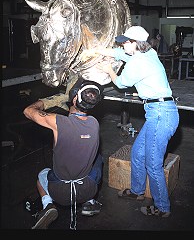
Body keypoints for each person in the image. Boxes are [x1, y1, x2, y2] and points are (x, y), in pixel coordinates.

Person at [81, 25, 179, 218]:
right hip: (157, 113)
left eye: (125, 41)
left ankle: (162, 207)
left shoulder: (138, 63)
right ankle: (137, 191)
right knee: (137, 153)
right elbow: (121, 54)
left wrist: (108, 68)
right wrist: (97, 50)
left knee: (153, 164)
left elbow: (120, 83)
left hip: (161, 115)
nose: (122, 44)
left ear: (135, 43)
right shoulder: (148, 53)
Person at [23, 78, 104, 229]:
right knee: (98, 159)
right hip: (87, 189)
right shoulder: (94, 123)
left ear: (74, 99)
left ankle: (48, 205)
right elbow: (77, 119)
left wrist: (48, 101)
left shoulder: (58, 122)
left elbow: (28, 111)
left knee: (43, 174)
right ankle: (89, 202)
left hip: (59, 193)